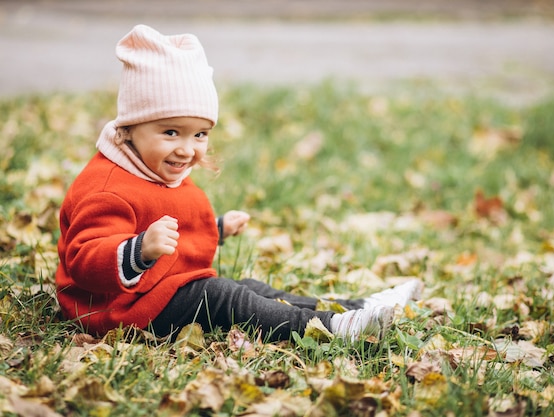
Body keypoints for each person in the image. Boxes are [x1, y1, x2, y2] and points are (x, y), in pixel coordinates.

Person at [55, 24, 423, 343]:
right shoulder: (107, 187)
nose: (186, 149)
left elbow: (163, 222)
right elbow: (84, 258)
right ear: (129, 128)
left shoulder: (151, 166)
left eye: (200, 134)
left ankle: (359, 307)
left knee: (251, 289)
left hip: (159, 288)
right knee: (222, 296)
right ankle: (333, 327)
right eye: (170, 132)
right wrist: (138, 250)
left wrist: (214, 229)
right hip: (117, 308)